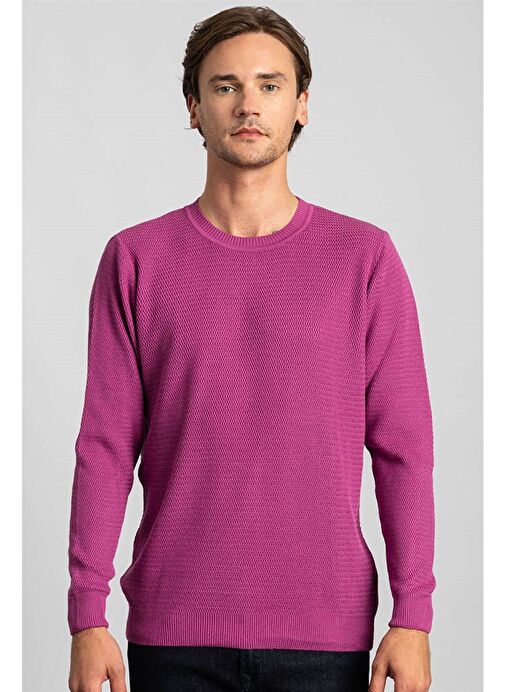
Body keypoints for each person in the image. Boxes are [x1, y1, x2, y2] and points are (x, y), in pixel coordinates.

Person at [67, 6, 435, 692]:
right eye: (225, 86)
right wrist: (86, 616)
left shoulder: (364, 258)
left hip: (324, 635)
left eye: (269, 85)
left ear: (301, 105)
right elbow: (106, 444)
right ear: (193, 108)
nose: (248, 105)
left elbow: (403, 447)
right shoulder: (136, 259)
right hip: (172, 632)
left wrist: (412, 616)